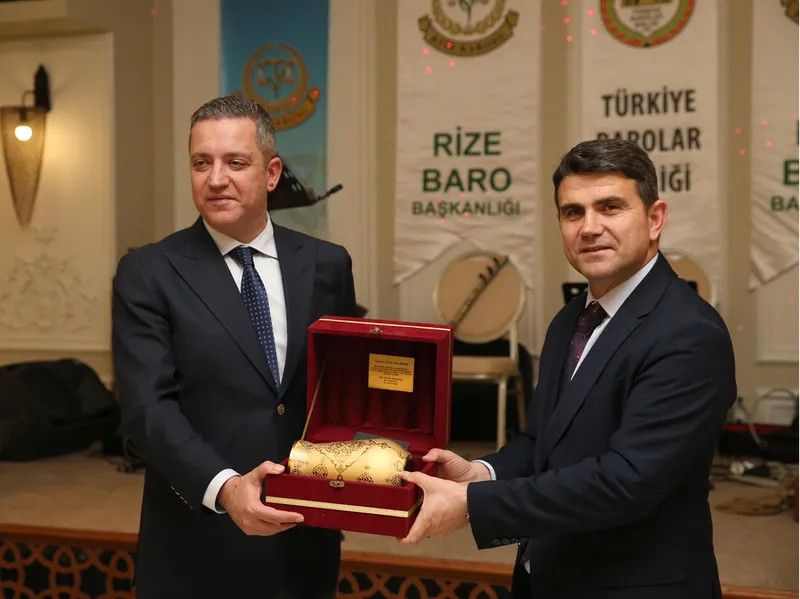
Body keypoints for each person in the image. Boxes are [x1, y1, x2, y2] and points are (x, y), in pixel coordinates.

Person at [399, 138, 737, 599]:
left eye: (610, 207)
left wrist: (474, 504)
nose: (590, 227)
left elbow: (627, 482)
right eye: (573, 212)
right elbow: (543, 441)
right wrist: (481, 473)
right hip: (547, 575)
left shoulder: (689, 332)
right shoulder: (572, 318)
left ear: (655, 219)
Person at [112, 95, 357, 599]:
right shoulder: (148, 272)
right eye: (201, 163)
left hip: (305, 537)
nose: (216, 179)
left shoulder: (327, 264)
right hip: (198, 538)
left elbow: (341, 390)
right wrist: (225, 488)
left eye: (236, 163)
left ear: (272, 174)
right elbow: (146, 409)